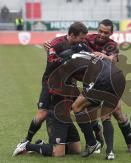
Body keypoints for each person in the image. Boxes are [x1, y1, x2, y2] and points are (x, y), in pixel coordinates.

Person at [44, 19, 131, 160]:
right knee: (85, 110)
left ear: (111, 33)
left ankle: (129, 143)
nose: (101, 34)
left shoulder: (111, 45)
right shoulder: (88, 39)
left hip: (107, 79)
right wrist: (51, 46)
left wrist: (105, 56)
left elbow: (113, 58)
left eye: (106, 32)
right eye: (100, 31)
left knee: (116, 111)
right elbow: (71, 41)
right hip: (93, 80)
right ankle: (97, 140)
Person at [12, 22, 93, 156]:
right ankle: (27, 142)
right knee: (43, 113)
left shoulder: (81, 45)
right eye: (81, 38)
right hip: (51, 84)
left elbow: (90, 54)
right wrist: (71, 57)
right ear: (72, 35)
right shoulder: (56, 43)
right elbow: (52, 61)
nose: (83, 41)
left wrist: (101, 56)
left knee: (81, 108)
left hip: (69, 85)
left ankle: (92, 142)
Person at [12, 95, 81, 157]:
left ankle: (42, 146)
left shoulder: (72, 81)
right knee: (58, 153)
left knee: (75, 150)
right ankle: (26, 146)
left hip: (66, 115)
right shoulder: (51, 81)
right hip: (56, 115)